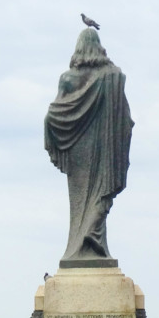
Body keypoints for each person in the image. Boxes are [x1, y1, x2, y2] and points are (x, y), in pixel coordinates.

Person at [44, 26, 133, 264]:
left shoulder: (69, 78)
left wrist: (50, 128)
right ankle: (87, 241)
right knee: (100, 194)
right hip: (106, 150)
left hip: (77, 150)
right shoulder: (114, 77)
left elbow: (54, 113)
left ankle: (85, 243)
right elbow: (125, 118)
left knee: (81, 199)